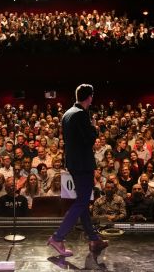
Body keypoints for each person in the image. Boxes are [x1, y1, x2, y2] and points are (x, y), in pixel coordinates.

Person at [48, 84, 108, 257]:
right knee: (82, 202)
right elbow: (88, 140)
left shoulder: (67, 113)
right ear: (90, 97)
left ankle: (94, 239)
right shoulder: (82, 114)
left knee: (82, 201)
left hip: (74, 163)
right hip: (82, 164)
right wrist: (94, 128)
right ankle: (58, 237)